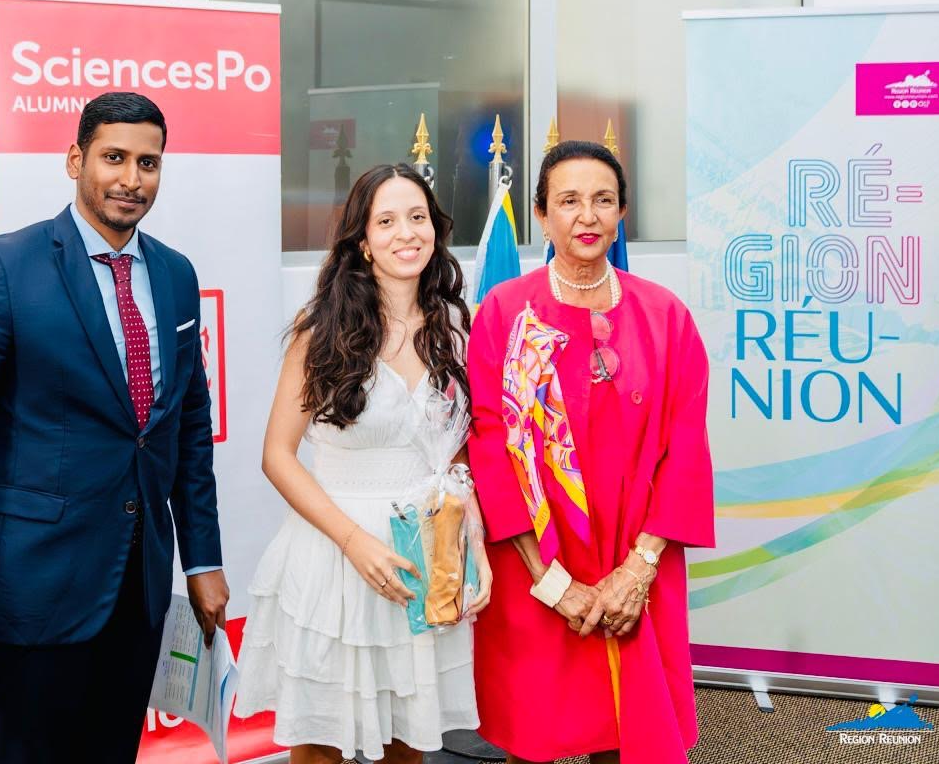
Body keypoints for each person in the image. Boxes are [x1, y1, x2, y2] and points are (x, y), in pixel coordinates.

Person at [0, 92, 229, 763]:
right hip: (35, 593)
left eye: (148, 163)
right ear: (75, 160)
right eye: (114, 158)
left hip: (139, 591)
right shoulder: (3, 268)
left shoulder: (175, 275)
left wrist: (202, 559)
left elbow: (187, 428)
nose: (131, 179)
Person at [234, 164, 492, 764]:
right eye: (387, 220)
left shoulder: (457, 326)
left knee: (409, 743)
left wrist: (472, 538)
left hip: (425, 554)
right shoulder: (321, 331)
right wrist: (354, 543)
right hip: (336, 556)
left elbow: (456, 449)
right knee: (321, 747)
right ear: (363, 241)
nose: (407, 233)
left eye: (418, 217)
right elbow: (277, 455)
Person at [466, 141, 715, 764]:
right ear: (542, 214)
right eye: (569, 201)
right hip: (535, 556)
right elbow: (490, 447)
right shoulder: (505, 313)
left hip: (638, 551)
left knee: (626, 730)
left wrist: (639, 569)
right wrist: (551, 582)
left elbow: (686, 448)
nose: (587, 216)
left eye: (603, 200)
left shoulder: (665, 316)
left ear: (622, 212)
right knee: (534, 732)